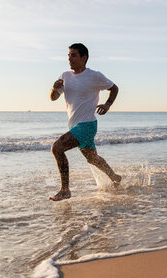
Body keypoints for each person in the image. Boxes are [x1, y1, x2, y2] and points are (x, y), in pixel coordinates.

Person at [49, 43, 121, 201]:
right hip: (75, 126)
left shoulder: (95, 76)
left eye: (73, 55)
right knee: (92, 159)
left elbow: (114, 88)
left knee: (57, 148)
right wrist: (54, 89)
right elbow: (53, 98)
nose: (70, 59)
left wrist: (108, 104)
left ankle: (65, 190)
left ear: (84, 57)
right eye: (68, 56)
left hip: (87, 125)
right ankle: (115, 178)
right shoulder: (65, 76)